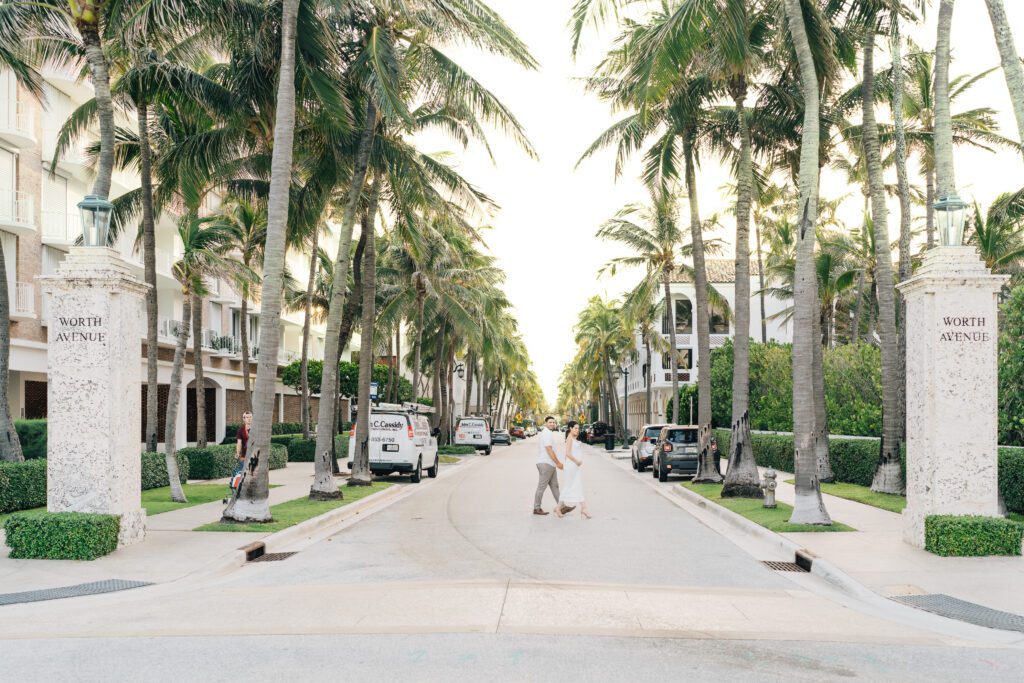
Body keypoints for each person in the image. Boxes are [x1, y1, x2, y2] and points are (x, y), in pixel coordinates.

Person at [534, 416, 574, 516]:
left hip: (549, 464)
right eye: (550, 422)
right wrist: (558, 463)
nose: (552, 424)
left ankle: (562, 506)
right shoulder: (546, 433)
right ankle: (536, 508)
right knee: (541, 487)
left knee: (555, 486)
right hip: (546, 464)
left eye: (553, 422)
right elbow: (549, 449)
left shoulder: (548, 433)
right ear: (545, 423)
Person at [557, 421, 590, 519]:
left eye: (578, 428)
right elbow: (567, 453)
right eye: (575, 428)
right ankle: (559, 508)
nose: (577, 430)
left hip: (574, 466)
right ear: (570, 428)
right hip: (572, 466)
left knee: (577, 485)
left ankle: (583, 508)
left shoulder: (574, 438)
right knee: (568, 486)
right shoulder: (570, 438)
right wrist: (577, 461)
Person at [225, 410, 253, 503]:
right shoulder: (241, 430)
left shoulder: (255, 429)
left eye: (250, 417)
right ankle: (239, 493)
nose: (249, 419)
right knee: (241, 474)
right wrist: (237, 453)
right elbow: (239, 443)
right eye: (247, 417)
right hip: (244, 457)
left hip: (254, 457)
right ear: (244, 419)